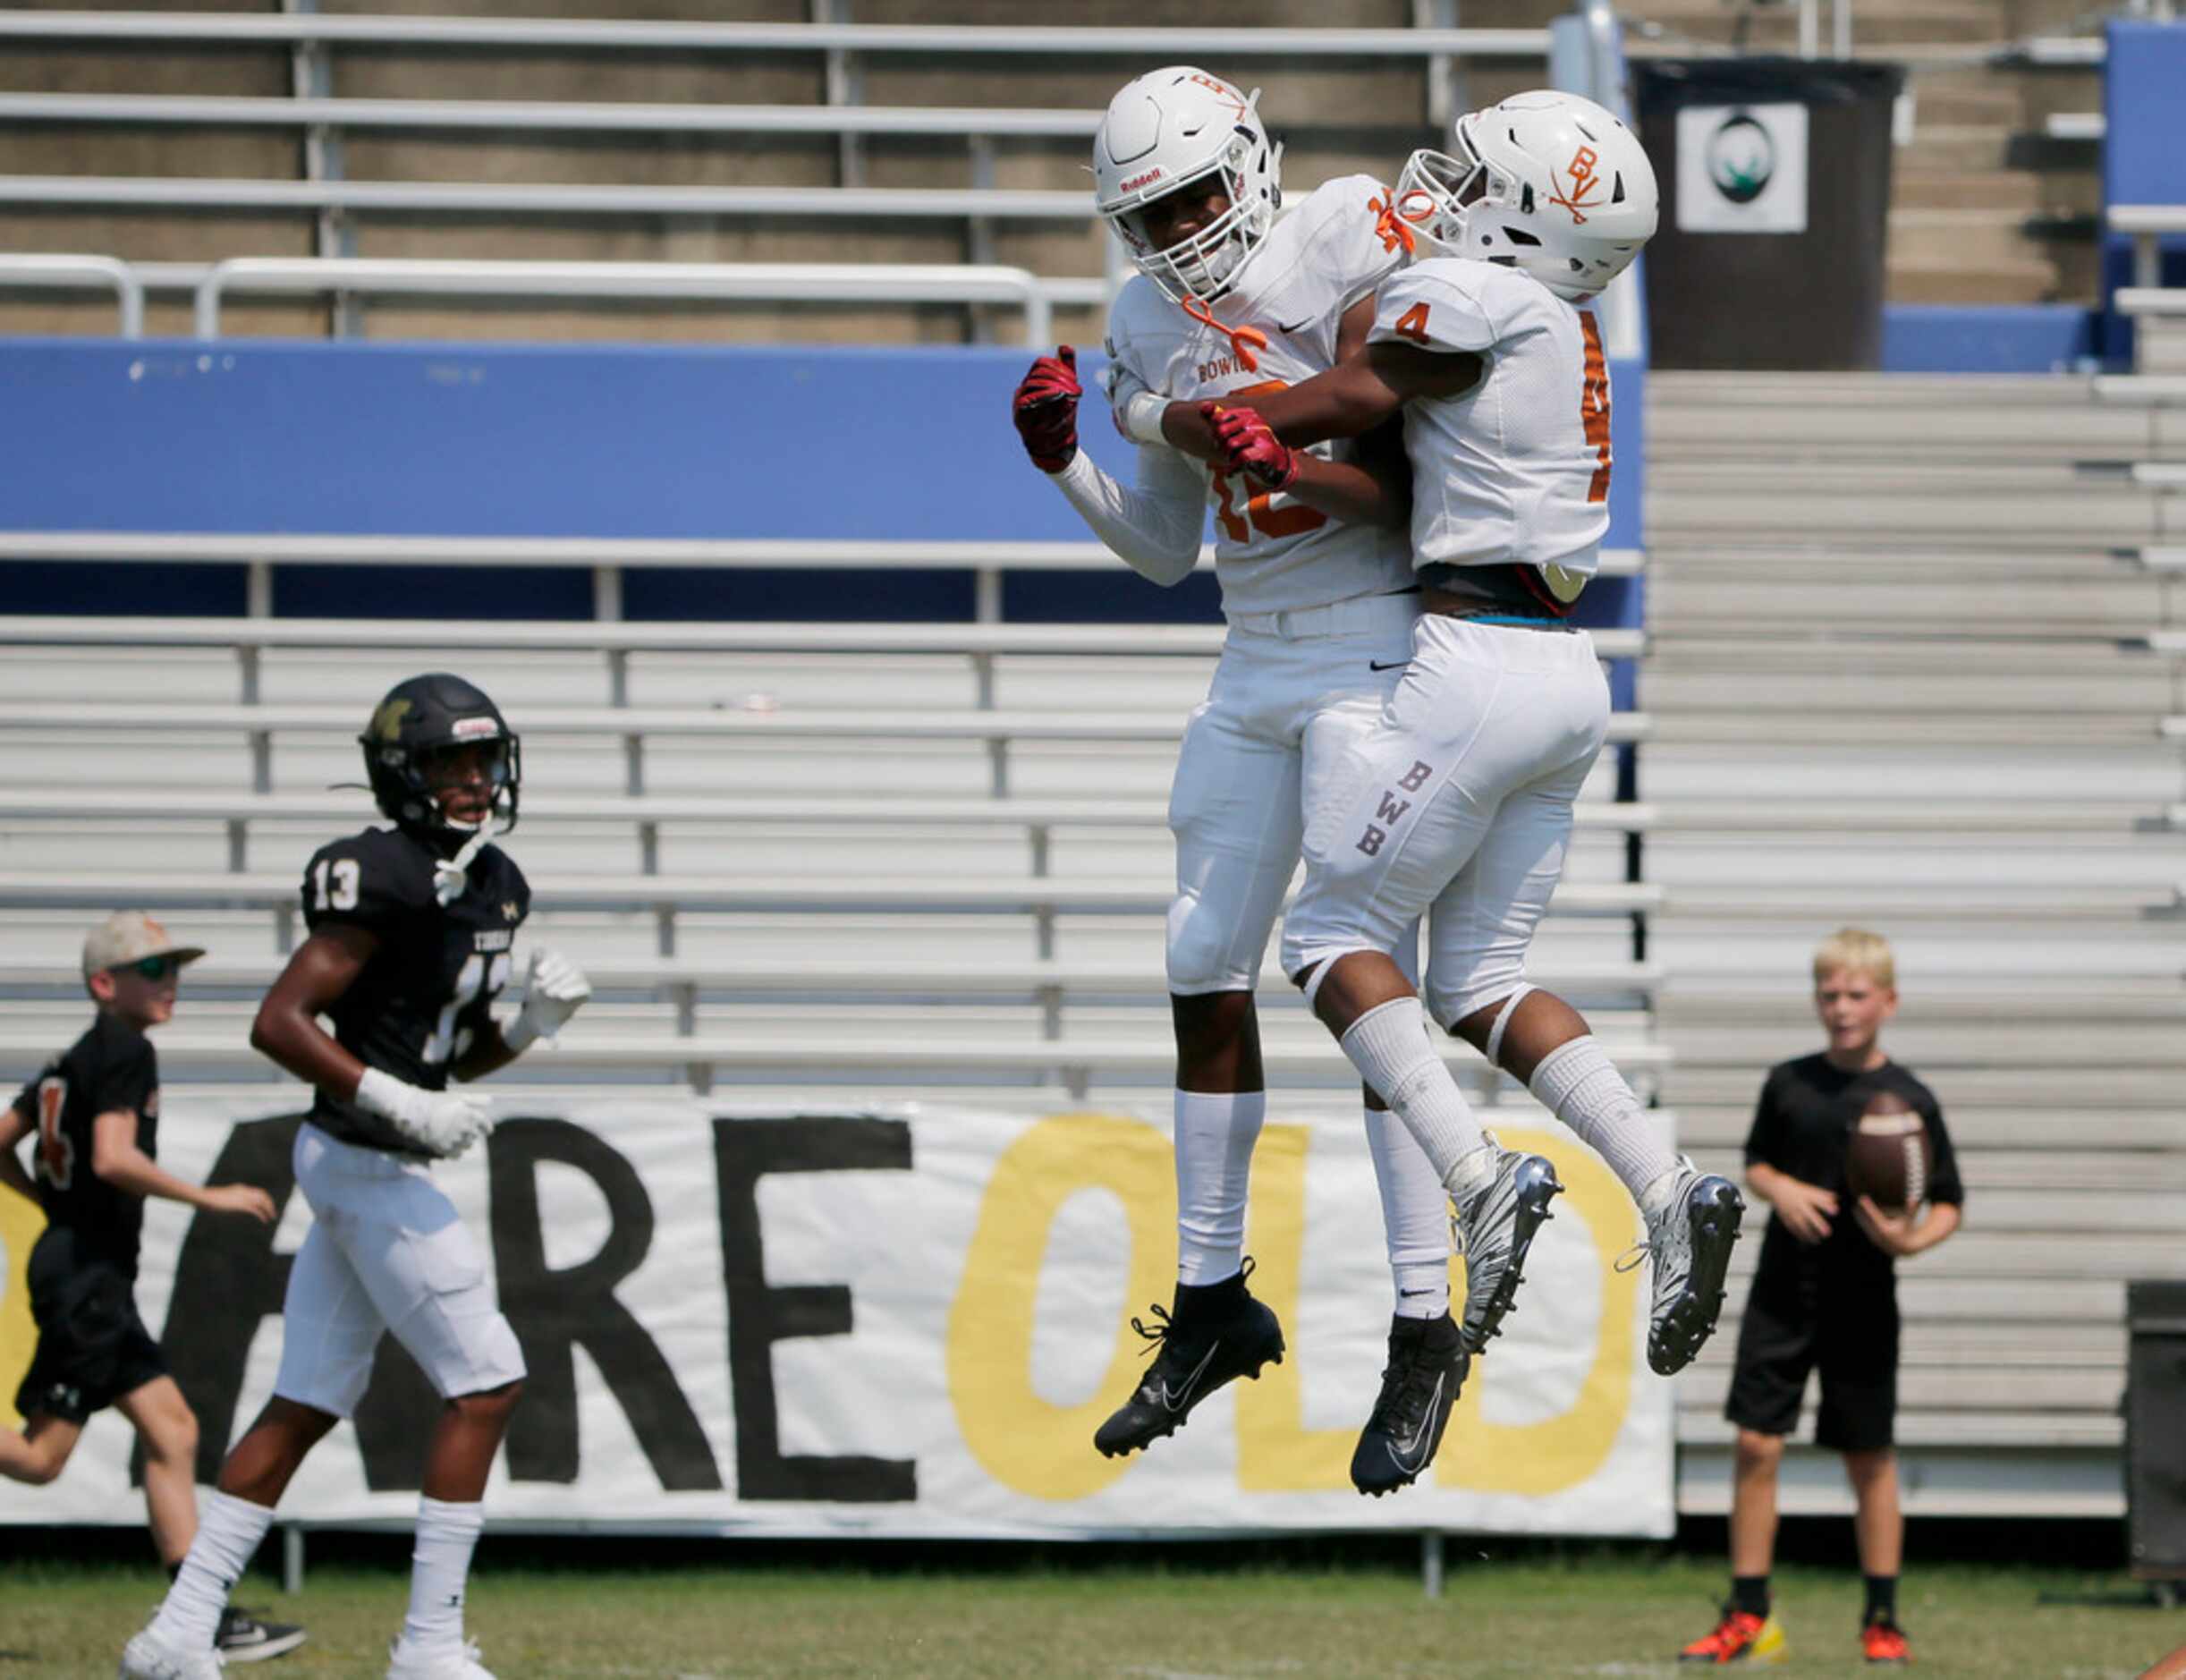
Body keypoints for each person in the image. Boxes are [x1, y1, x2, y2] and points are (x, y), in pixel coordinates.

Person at [1163, 91, 1743, 1374]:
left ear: (1537, 221)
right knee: (1483, 979)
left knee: (1327, 938)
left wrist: (1184, 415)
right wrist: (1289, 462)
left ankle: (1480, 1178)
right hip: (1566, 670)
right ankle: (1668, 1184)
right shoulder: (1567, 321)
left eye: (1484, 178)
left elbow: (1341, 392)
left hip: (1472, 658)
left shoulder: (1477, 301)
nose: (1449, 186)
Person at [1011, 64, 1470, 1496]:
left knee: (1358, 972)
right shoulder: (1145, 313)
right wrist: (1069, 465)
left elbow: (1425, 476)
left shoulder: (1348, 233)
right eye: (1152, 210)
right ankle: (1214, 1295)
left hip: (1375, 639)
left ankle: (1420, 1315)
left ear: (1255, 160)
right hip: (1252, 650)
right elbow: (1165, 549)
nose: (1185, 227)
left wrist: (1254, 439)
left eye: (1200, 191)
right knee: (1201, 957)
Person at [123, 674, 593, 1680]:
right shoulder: (371, 871)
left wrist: (528, 1029)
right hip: (365, 1160)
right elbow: (278, 1022)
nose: (471, 780)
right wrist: (396, 1100)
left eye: (481, 760)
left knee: (305, 1401)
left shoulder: (497, 879)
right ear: (401, 774)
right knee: (487, 1384)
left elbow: (452, 1056)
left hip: (363, 1156)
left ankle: (175, 1635)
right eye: (447, 764)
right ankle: (427, 1646)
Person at [0, 912, 303, 1666]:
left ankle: (199, 1610)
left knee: (169, 1433)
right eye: (155, 971)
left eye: (175, 969)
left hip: (79, 1272)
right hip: (89, 1281)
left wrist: (47, 1205)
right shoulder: (124, 1049)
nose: (172, 984)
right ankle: (201, 1613)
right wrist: (213, 1197)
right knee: (52, 1458)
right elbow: (110, 1158)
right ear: (106, 984)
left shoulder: (72, 1057)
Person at [1678, 929, 1961, 1667]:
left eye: (1856, 994)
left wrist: (1910, 1241)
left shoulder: (1910, 1101)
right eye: (1829, 994)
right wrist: (1783, 1189)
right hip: (1783, 1290)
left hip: (1864, 1297)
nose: (1841, 1007)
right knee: (1754, 1444)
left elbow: (1949, 1203)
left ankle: (1882, 1616)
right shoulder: (1789, 1083)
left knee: (1868, 1456)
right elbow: (1757, 1163)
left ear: (1888, 1002)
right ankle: (1749, 1614)